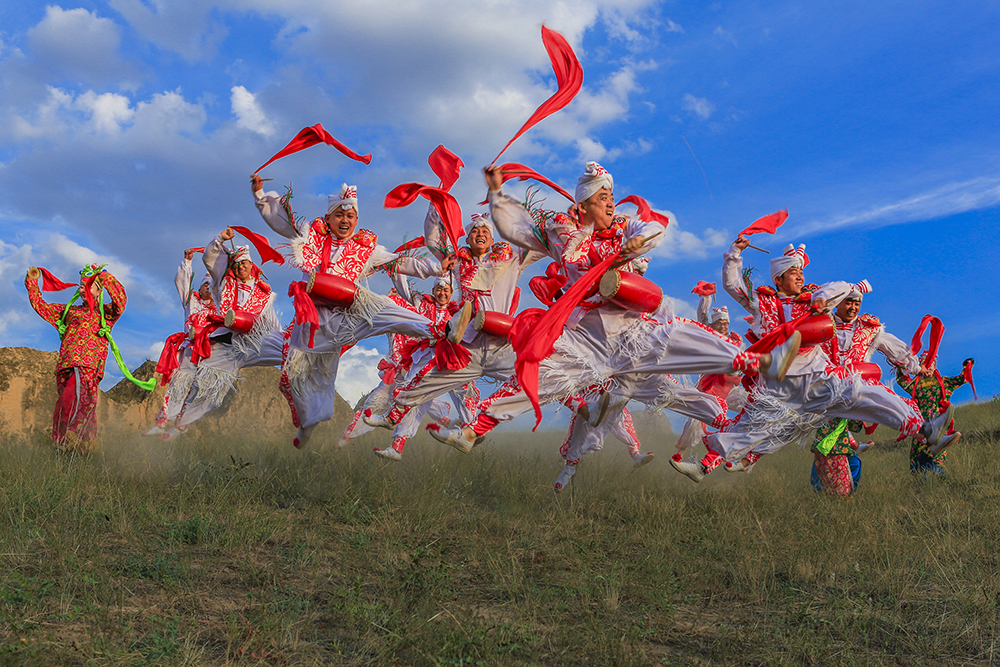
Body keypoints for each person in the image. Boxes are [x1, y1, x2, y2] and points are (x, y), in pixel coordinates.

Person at [429, 161, 783, 452]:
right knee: (541, 374)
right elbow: (514, 228)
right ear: (583, 205)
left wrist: (638, 244)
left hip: (632, 331)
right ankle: (473, 432)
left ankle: (760, 364)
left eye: (612, 195)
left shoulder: (624, 229)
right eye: (603, 196)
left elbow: (654, 230)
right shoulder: (560, 233)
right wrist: (496, 192)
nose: (611, 202)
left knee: (682, 340)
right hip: (587, 337)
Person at [671, 237, 952, 483]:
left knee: (868, 394)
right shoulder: (761, 302)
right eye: (793, 273)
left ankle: (926, 431)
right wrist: (734, 252)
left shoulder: (814, 301)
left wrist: (829, 297)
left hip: (819, 378)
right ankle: (701, 467)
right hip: (777, 383)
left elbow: (840, 290)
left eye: (801, 271)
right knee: (749, 428)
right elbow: (732, 285)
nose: (800, 277)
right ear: (778, 279)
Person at [251, 176, 452, 448]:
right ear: (329, 217)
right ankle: (308, 425)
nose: (345, 220)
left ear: (356, 219)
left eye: (351, 215)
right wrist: (261, 194)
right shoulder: (311, 237)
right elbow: (281, 222)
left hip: (348, 314)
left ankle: (439, 330)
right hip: (311, 322)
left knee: (386, 309)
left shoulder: (365, 248)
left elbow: (398, 262)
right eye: (340, 215)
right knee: (306, 378)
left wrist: (437, 268)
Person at [25, 263, 129, 454]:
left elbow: (121, 299)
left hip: (88, 365)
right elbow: (41, 307)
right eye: (81, 285)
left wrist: (105, 277)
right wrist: (32, 283)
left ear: (99, 290)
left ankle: (72, 438)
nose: (82, 289)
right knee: (64, 404)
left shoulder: (106, 314)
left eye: (87, 285)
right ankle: (71, 448)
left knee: (80, 400)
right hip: (65, 365)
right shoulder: (69, 312)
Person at [147, 248, 217, 437]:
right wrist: (187, 263)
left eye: (211, 286)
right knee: (178, 385)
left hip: (208, 354)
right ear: (200, 287)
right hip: (189, 351)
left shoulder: (218, 309)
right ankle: (161, 423)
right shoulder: (190, 301)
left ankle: (180, 428)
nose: (208, 289)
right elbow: (182, 282)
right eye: (205, 285)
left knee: (197, 390)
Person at [896, 356, 972, 476]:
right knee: (919, 462)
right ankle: (921, 484)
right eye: (924, 365)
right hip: (920, 428)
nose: (927, 368)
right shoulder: (915, 384)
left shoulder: (944, 383)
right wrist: (903, 362)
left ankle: (938, 481)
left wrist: (966, 366)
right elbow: (901, 379)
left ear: (935, 366)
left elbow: (962, 378)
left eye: (929, 364)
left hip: (938, 426)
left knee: (936, 458)